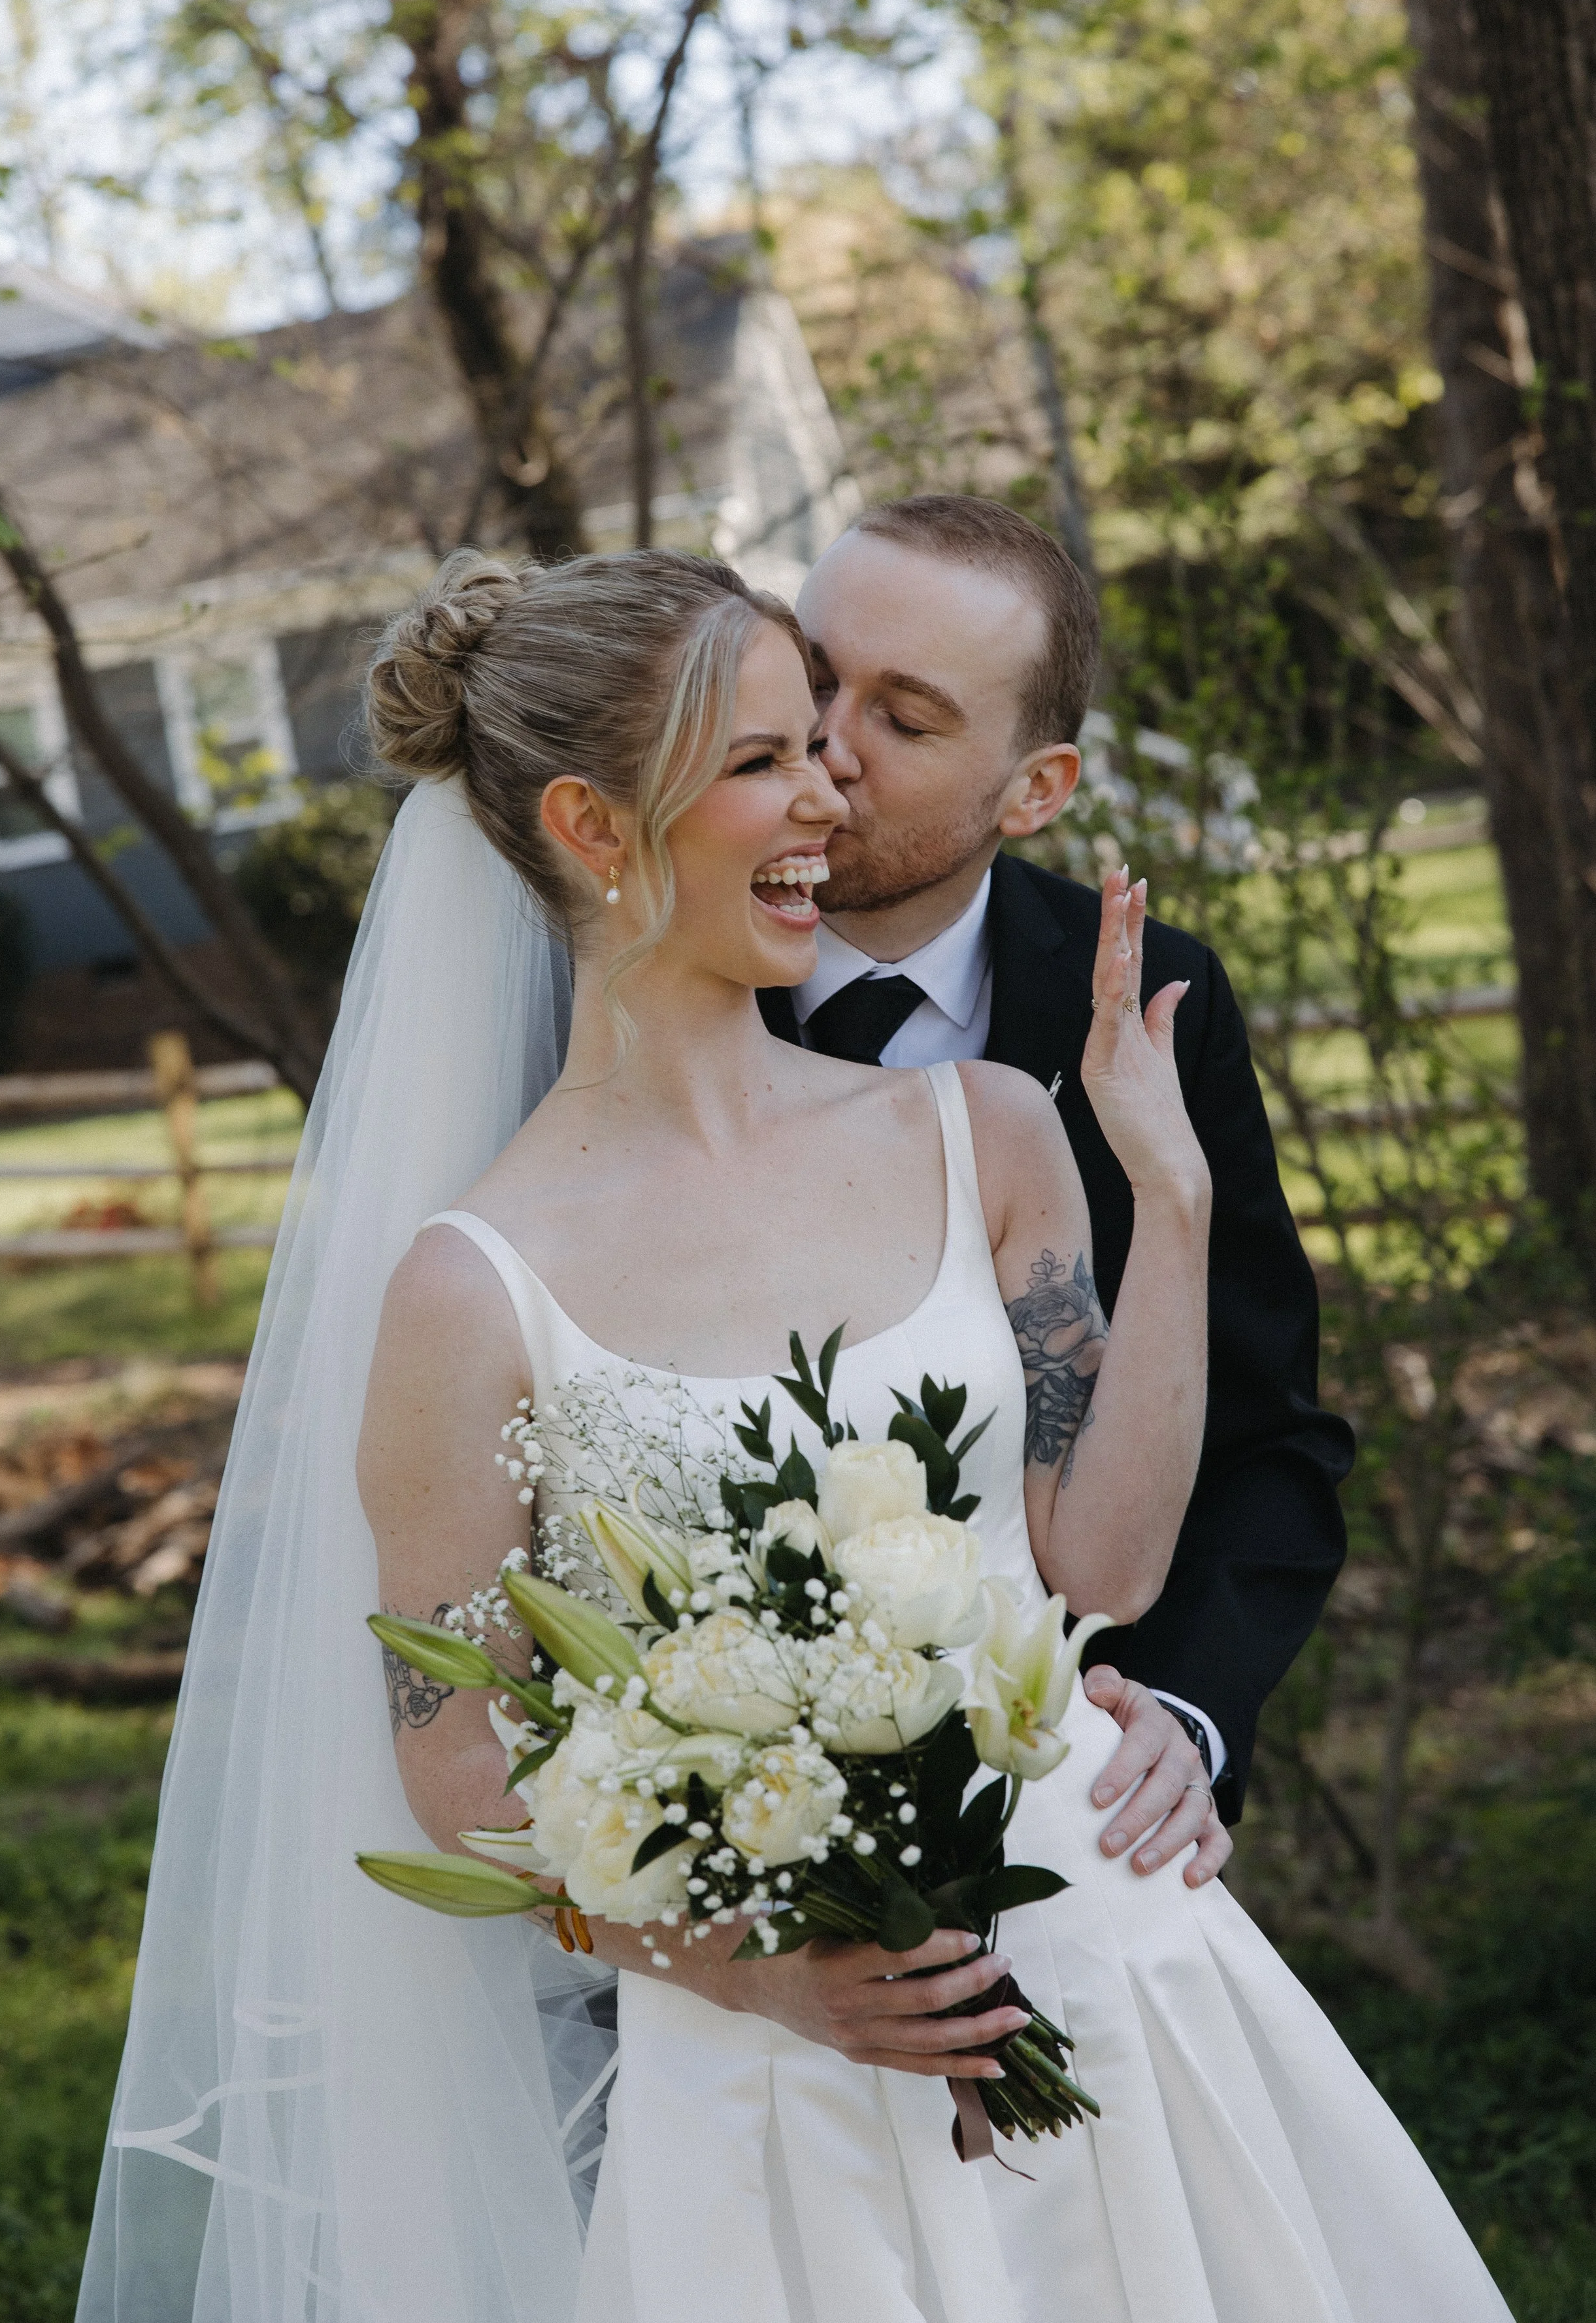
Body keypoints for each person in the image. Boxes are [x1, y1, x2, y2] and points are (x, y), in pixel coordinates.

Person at [78, 546, 1510, 2323]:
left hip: (1119, 1967)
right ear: (597, 827)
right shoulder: (469, 1291)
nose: (828, 789)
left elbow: (1109, 1560)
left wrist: (1174, 1188)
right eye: (765, 756)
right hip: (768, 2086)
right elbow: (456, 1772)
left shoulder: (980, 1127)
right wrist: (754, 1970)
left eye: (824, 744)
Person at [757, 494, 1355, 1890]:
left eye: (901, 722)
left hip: (1080, 1814)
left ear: (1034, 792)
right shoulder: (641, 997)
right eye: (810, 673)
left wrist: (1185, 1725)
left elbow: (1268, 1442)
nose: (824, 746)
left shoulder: (1155, 1004)